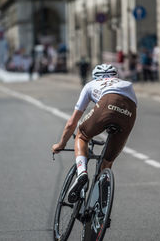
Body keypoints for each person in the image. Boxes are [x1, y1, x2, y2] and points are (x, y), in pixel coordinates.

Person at [51, 64, 137, 203]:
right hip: (130, 112)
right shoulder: (125, 84)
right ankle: (101, 206)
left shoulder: (91, 84)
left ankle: (82, 173)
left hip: (107, 103)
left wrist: (61, 144)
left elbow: (72, 122)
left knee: (82, 135)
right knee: (107, 162)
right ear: (115, 76)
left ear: (95, 77)